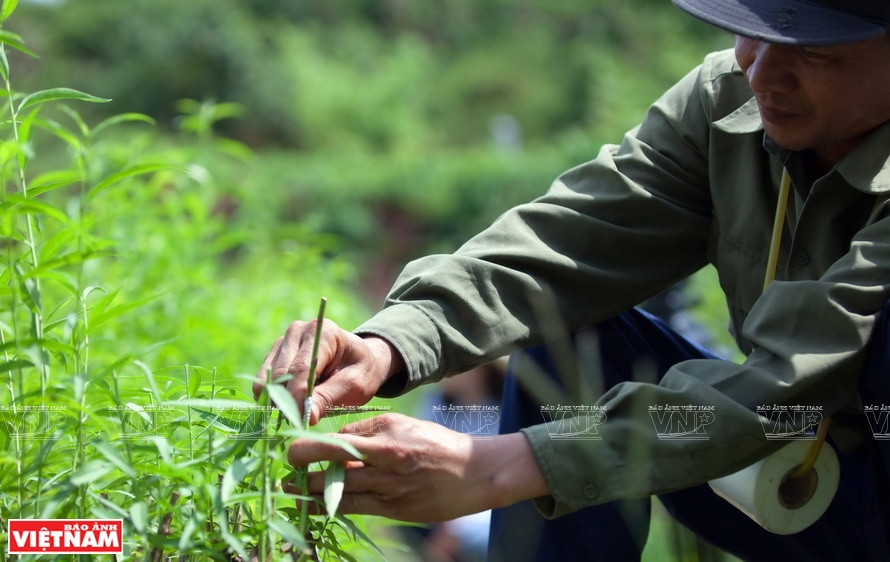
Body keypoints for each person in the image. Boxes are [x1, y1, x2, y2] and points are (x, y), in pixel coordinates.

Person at [255, 1, 890, 560]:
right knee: (564, 329)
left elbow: (790, 381)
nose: (761, 73)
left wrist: (496, 469)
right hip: (784, 471)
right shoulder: (729, 101)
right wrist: (388, 344)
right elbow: (562, 245)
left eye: (814, 52)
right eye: (749, 32)